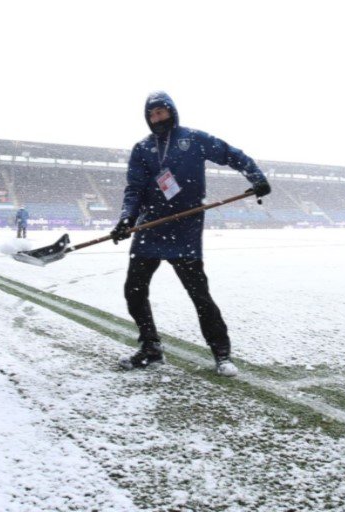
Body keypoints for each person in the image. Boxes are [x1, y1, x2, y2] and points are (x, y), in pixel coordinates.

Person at [111, 91, 271, 377]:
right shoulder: (142, 148)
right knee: (133, 292)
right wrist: (126, 218)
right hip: (150, 229)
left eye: (162, 112)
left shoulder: (194, 139)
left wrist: (255, 176)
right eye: (152, 114)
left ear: (172, 111)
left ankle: (222, 354)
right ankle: (150, 348)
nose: (157, 118)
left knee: (199, 295)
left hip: (184, 230)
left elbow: (231, 154)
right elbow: (134, 189)